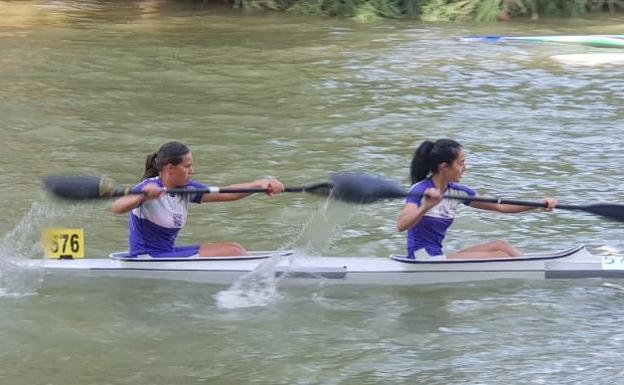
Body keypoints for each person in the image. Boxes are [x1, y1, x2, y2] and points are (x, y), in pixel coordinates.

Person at [111, 141, 284, 258]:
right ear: (171, 169)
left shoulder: (186, 189)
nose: (192, 171)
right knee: (232, 251)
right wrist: (143, 196)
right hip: (147, 259)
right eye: (187, 166)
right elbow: (117, 207)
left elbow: (227, 194)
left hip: (166, 254)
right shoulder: (147, 187)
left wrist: (260, 184)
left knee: (236, 248)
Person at [397, 139, 557, 260]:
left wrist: (539, 204)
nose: (465, 168)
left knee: (501, 245)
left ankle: (530, 267)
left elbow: (501, 207)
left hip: (437, 256)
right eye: (461, 163)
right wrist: (425, 207)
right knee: (499, 255)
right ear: (444, 167)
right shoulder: (420, 190)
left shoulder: (457, 192)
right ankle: (531, 271)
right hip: (422, 259)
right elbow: (402, 225)